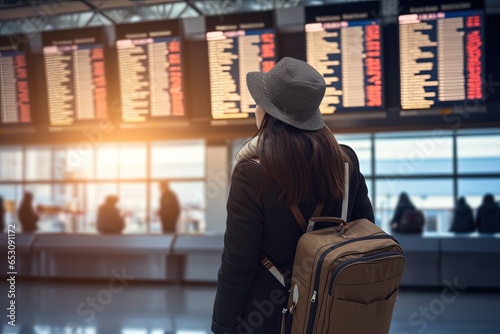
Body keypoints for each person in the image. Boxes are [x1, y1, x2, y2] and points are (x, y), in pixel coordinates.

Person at [211, 57, 374, 334]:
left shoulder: (252, 173)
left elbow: (238, 264)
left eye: (259, 101)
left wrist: (222, 325)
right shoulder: (346, 161)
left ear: (269, 113)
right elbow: (364, 232)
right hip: (332, 312)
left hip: (270, 318)